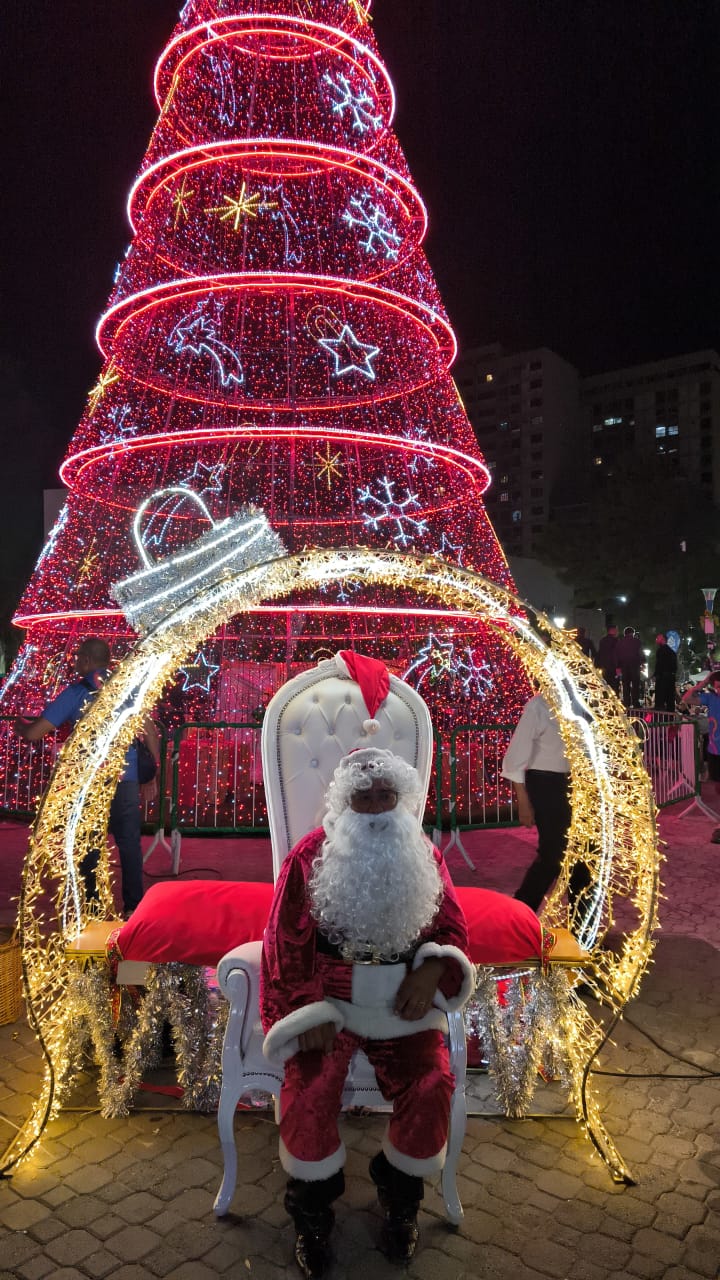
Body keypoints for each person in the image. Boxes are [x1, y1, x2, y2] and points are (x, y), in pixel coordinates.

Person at [260, 746, 474, 1278]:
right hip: (329, 998)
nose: (377, 808)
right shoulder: (311, 854)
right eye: (365, 797)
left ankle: (400, 1196)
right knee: (309, 1091)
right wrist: (307, 1010)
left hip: (402, 995)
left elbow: (451, 927)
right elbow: (284, 940)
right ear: (345, 800)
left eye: (386, 796)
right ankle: (311, 1216)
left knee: (432, 1083)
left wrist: (431, 971)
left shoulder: (423, 851)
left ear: (400, 799)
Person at [14, 637, 159, 916]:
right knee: (129, 843)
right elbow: (150, 731)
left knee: (89, 842)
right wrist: (152, 772)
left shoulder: (76, 692)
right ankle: (134, 907)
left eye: (79, 657)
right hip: (124, 777)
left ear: (89, 661)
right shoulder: (127, 688)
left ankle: (92, 907)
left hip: (90, 780)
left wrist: (21, 727)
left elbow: (36, 733)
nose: (76, 661)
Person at [501, 692, 591, 922]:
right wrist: (523, 802)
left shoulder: (579, 704)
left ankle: (581, 926)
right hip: (545, 783)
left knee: (583, 854)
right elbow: (515, 759)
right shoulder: (538, 707)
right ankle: (519, 916)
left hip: (575, 783)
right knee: (553, 853)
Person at [680, 669, 720, 843]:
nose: (719, 689)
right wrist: (702, 684)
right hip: (714, 750)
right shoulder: (711, 698)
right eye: (717, 687)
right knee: (718, 787)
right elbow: (686, 699)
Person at [616, 626, 643, 709]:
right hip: (635, 666)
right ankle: (635, 702)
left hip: (624, 667)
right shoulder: (637, 642)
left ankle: (626, 702)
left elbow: (617, 655)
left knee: (626, 685)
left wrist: (618, 666)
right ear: (632, 633)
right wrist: (642, 663)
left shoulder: (620, 642)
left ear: (625, 633)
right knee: (635, 685)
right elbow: (640, 653)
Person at [653, 633, 678, 713]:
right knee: (670, 698)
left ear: (663, 639)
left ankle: (660, 718)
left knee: (660, 699)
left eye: (658, 638)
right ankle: (671, 719)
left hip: (662, 678)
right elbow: (675, 666)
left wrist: (656, 675)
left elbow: (659, 664)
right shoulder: (672, 652)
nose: (656, 639)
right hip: (671, 677)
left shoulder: (660, 651)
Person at [596, 624, 620, 693]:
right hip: (613, 667)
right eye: (616, 630)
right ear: (613, 630)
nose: (617, 632)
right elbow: (617, 654)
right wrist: (618, 666)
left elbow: (600, 653)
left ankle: (606, 699)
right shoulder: (616, 641)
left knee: (605, 686)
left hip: (603, 667)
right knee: (614, 687)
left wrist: (598, 665)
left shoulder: (602, 640)